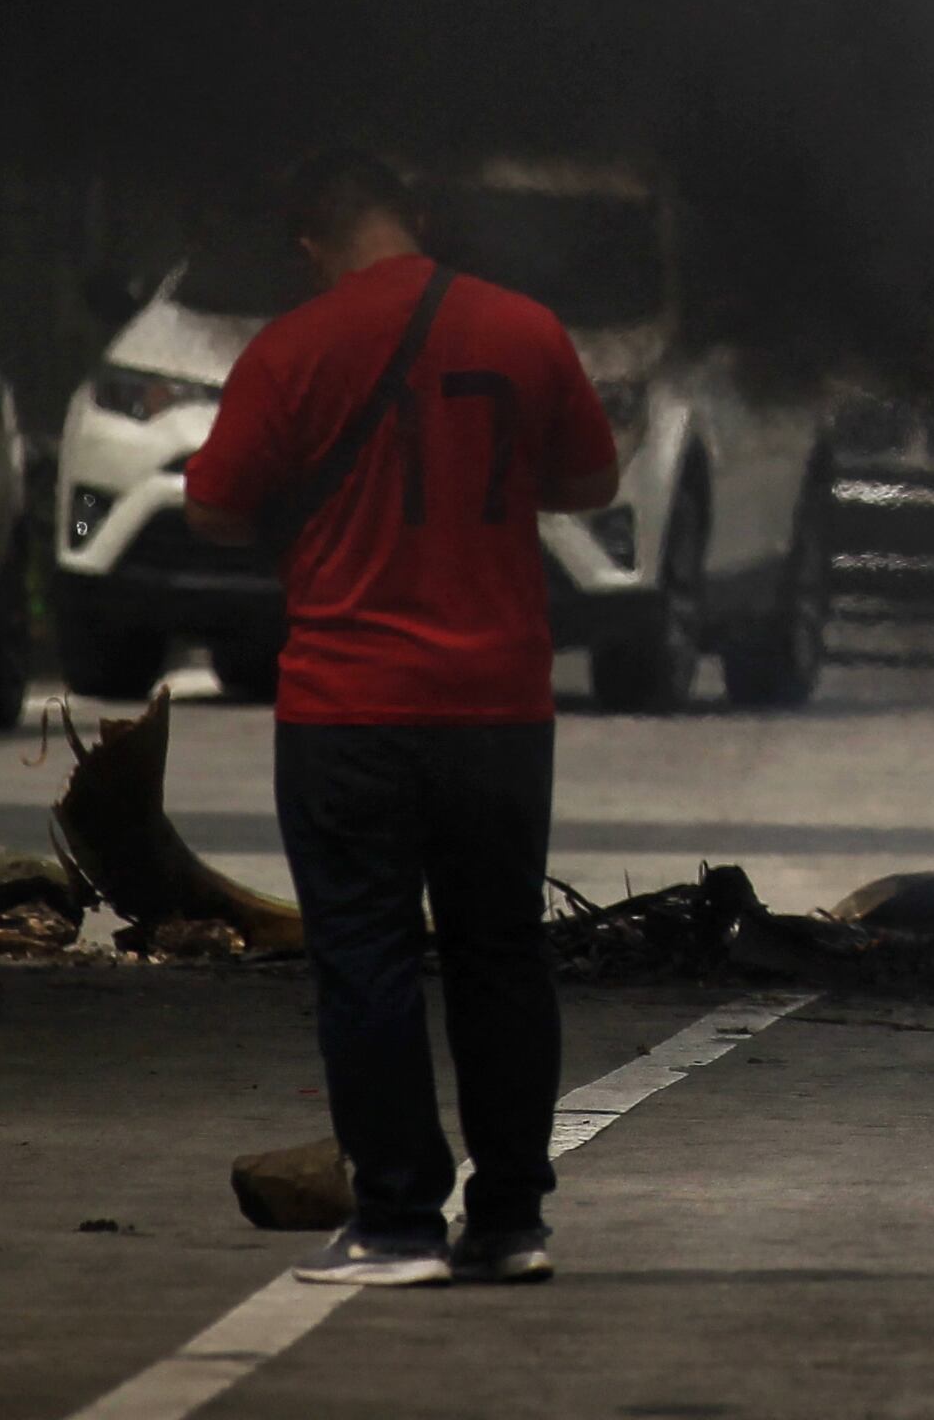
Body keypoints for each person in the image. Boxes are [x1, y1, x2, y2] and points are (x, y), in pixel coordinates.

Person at [184, 149, 619, 1289]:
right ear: (419, 221)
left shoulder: (292, 348)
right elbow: (589, 485)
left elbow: (216, 509)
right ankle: (514, 1217)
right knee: (500, 955)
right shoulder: (526, 330)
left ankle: (397, 1221)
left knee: (368, 958)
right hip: (499, 707)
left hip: (349, 707)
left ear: (311, 244)